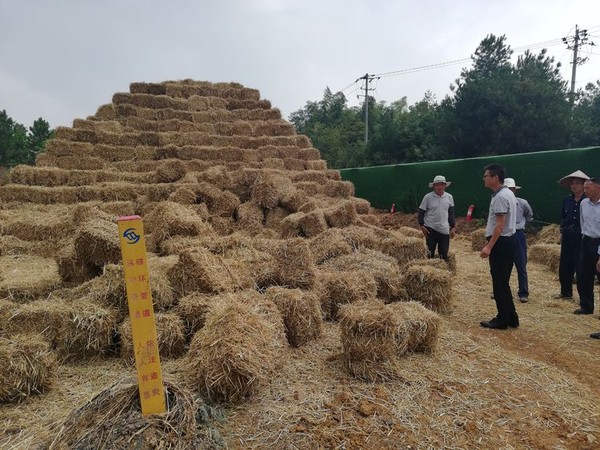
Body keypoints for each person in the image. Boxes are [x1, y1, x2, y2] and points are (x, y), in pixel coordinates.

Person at [479, 164, 518, 330]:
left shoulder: (501, 197)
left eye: (486, 176)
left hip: (501, 243)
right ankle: (511, 317)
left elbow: (500, 225)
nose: (484, 179)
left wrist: (489, 246)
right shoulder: (507, 193)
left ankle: (502, 319)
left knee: (499, 282)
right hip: (508, 242)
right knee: (503, 281)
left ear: (495, 178)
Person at [554, 170, 589, 300]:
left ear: (583, 185)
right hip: (568, 234)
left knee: (580, 266)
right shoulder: (566, 200)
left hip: (582, 235)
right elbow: (563, 216)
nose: (574, 186)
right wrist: (562, 228)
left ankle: (583, 297)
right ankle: (566, 293)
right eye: (572, 183)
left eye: (577, 183)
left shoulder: (588, 201)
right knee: (565, 264)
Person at [504, 178, 533, 303]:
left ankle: (523, 292)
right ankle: (501, 290)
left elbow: (529, 215)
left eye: (511, 189)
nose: (509, 191)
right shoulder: (500, 202)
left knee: (521, 264)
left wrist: (521, 226)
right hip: (505, 235)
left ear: (515, 190)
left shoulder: (522, 203)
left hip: (518, 234)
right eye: (507, 189)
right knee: (504, 265)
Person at [574, 177, 600, 316]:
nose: (585, 191)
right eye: (584, 188)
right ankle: (586, 305)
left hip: (599, 242)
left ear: (598, 188)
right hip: (586, 241)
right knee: (584, 275)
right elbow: (582, 222)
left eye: (587, 188)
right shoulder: (584, 203)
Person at [418, 175, 456, 260]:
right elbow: (421, 212)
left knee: (443, 253)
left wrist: (453, 227)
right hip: (430, 228)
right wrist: (421, 225)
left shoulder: (449, 197)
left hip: (444, 229)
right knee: (429, 252)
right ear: (434, 186)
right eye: (437, 185)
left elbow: (451, 213)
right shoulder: (428, 197)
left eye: (442, 184)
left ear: (445, 186)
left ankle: (443, 272)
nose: (440, 187)